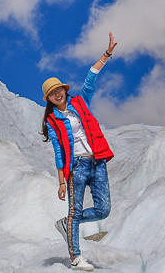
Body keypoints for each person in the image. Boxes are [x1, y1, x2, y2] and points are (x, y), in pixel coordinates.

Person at [40, 32, 117, 272]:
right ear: (49, 99)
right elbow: (58, 152)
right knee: (75, 209)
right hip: (76, 168)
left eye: (59, 89)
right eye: (52, 93)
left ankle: (67, 223)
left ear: (64, 89)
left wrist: (106, 55)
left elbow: (90, 79)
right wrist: (62, 182)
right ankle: (76, 257)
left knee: (103, 209)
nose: (57, 93)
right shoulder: (53, 122)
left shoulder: (80, 102)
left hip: (97, 162)